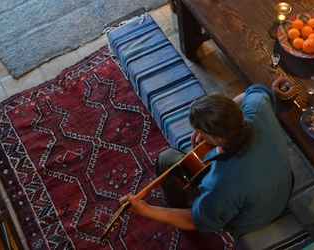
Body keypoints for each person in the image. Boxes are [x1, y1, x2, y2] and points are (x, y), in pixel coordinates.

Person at [120, 77, 296, 239]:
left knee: (167, 159)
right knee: (176, 161)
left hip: (255, 219)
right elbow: (255, 92)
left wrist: (147, 210)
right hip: (283, 187)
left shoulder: (220, 184)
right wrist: (214, 128)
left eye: (202, 132)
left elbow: (194, 221)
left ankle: (180, 203)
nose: (199, 135)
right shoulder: (258, 106)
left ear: (216, 138)